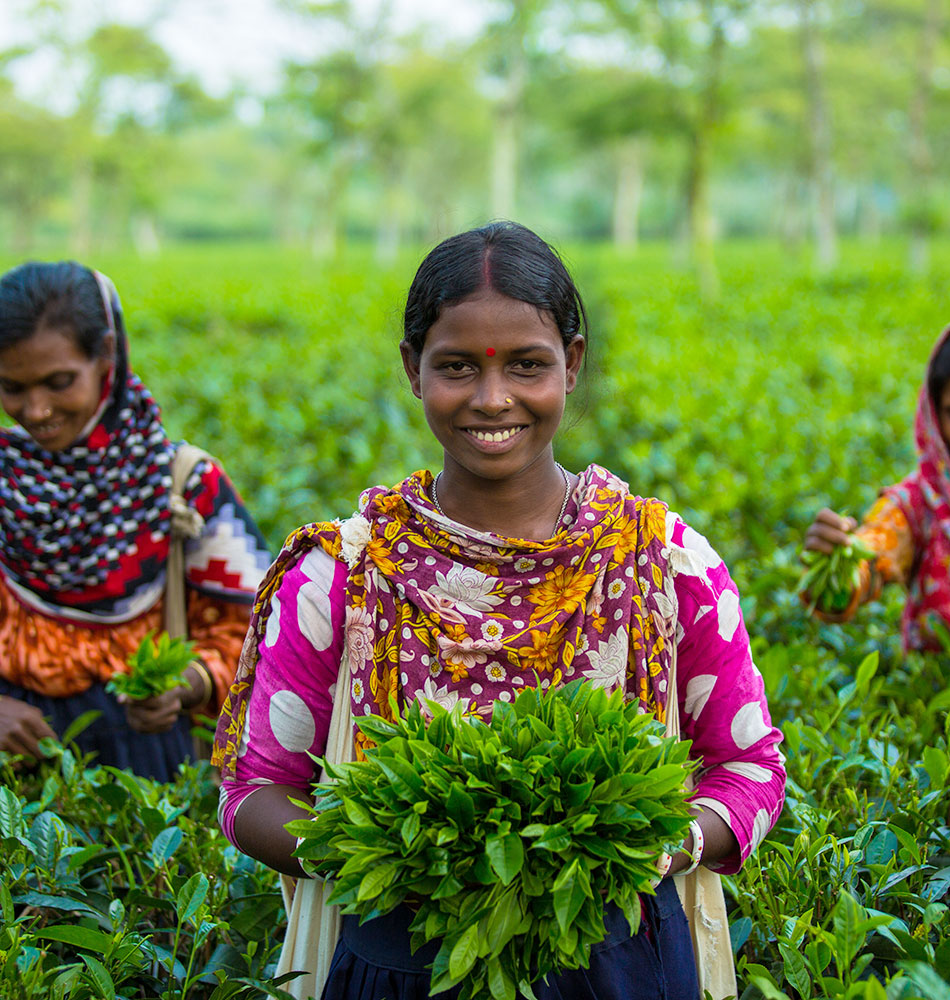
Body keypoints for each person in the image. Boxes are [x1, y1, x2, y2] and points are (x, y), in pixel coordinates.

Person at [214, 222, 785, 1000]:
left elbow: (749, 770)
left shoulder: (667, 562)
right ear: (413, 369)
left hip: (615, 960)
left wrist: (654, 843)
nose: (492, 399)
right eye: (456, 368)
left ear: (573, 364)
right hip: (401, 956)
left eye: (527, 365)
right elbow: (253, 792)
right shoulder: (338, 576)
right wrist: (387, 848)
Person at [0, 261, 271, 781]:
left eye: (58, 383)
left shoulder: (181, 486)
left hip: (146, 766)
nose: (35, 410)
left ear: (106, 355)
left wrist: (187, 684)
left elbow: (258, 637)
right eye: (12, 388)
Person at [804, 314, 950, 671]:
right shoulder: (919, 503)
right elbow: (871, 559)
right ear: (934, 415)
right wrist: (838, 561)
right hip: (939, 705)